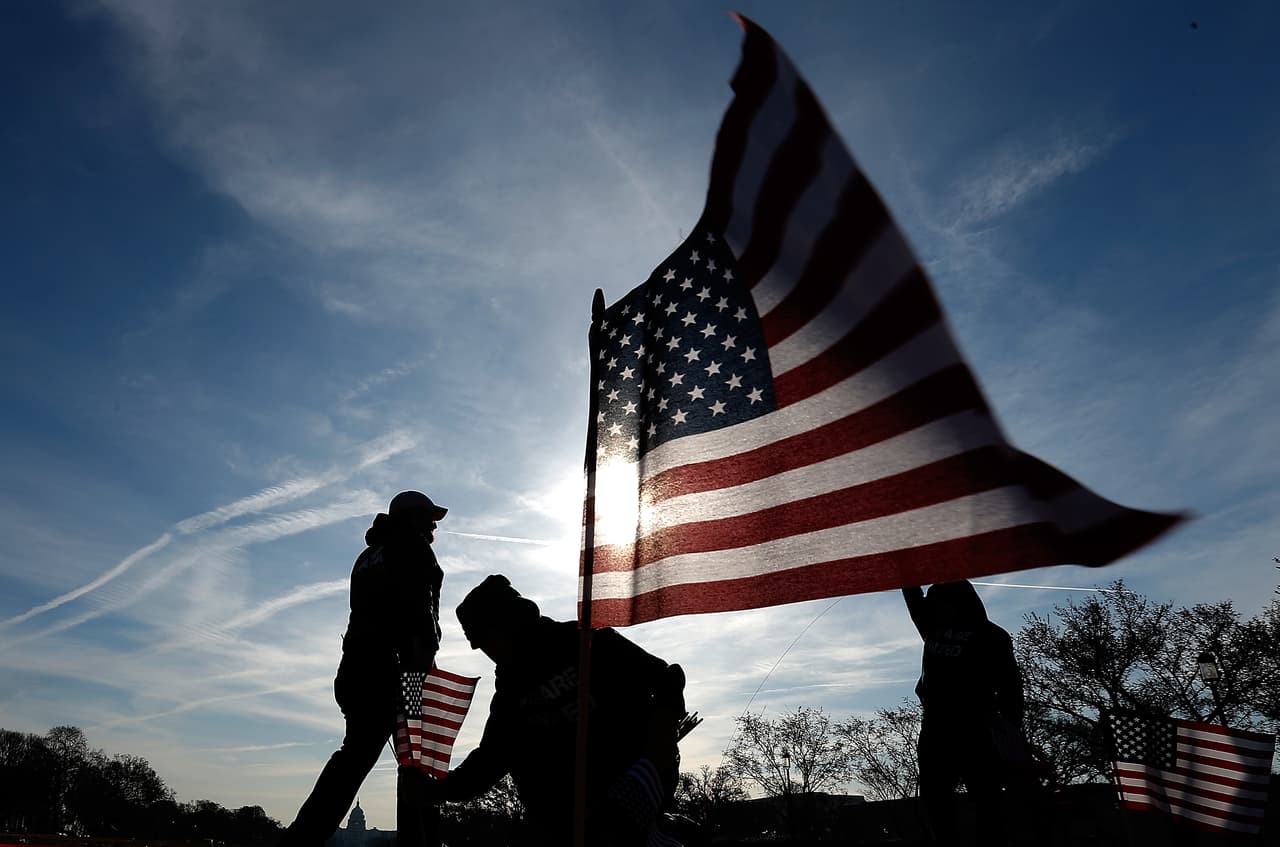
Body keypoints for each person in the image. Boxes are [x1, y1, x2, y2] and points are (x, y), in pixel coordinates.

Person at [427, 575, 690, 847]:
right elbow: (490, 759)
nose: (488, 651)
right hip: (563, 824)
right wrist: (439, 789)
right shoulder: (510, 694)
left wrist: (661, 738)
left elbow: (667, 678)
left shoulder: (586, 643)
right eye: (480, 644)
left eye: (487, 638)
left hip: (628, 795)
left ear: (509, 622)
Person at [279, 491, 448, 847]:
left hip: (356, 668)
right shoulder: (413, 548)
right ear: (412, 518)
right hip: (400, 671)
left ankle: (301, 839)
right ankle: (420, 844)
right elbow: (419, 614)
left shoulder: (368, 556)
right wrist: (421, 672)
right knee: (416, 762)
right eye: (429, 519)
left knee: (353, 758)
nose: (434, 527)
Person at [903, 580, 1025, 846]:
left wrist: (1011, 733)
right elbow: (913, 597)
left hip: (977, 730)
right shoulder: (933, 626)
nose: (933, 607)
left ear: (957, 602)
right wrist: (901, 565)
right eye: (932, 602)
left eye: (938, 602)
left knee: (987, 801)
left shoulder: (992, 636)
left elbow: (1011, 688)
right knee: (936, 801)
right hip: (935, 729)